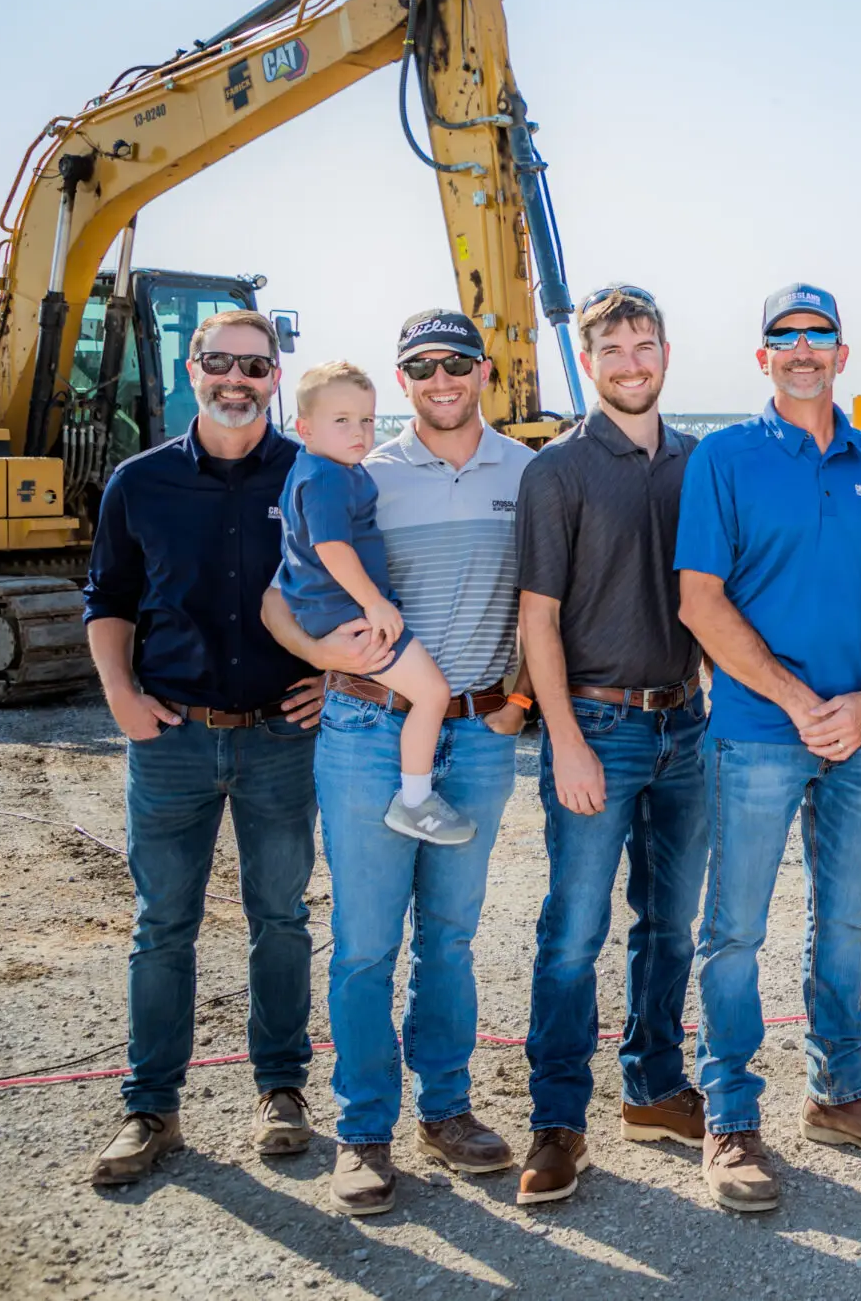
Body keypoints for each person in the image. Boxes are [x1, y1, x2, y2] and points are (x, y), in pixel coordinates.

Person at [83, 309, 366, 1186]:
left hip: (282, 736)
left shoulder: (314, 474)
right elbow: (110, 597)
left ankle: (281, 1090)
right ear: (194, 370)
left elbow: (361, 581)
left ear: (277, 378)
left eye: (255, 365)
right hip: (169, 738)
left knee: (280, 919)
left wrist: (337, 674)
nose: (236, 379)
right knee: (162, 923)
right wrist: (120, 695)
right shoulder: (140, 482)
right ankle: (150, 1107)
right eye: (220, 363)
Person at [260, 309, 534, 1215]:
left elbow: (548, 600)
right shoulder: (359, 474)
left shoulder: (527, 473)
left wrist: (521, 702)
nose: (442, 377)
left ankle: (446, 1112)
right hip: (370, 732)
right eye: (423, 365)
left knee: (449, 941)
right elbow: (277, 599)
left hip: (479, 735)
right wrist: (327, 660)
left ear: (484, 371)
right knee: (368, 943)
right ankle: (365, 1131)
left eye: (457, 362)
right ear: (403, 379)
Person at [676, 284, 861, 1213]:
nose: (801, 349)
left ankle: (839, 1091)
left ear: (841, 351)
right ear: (762, 358)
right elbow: (700, 600)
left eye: (817, 335)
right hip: (754, 732)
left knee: (849, 918)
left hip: (860, 732)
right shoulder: (725, 458)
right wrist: (796, 700)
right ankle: (732, 1115)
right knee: (736, 930)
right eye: (783, 337)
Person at [509, 286, 710, 1208]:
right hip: (595, 726)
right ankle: (557, 1119)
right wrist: (565, 743)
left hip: (687, 726)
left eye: (645, 345)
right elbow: (537, 621)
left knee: (671, 925)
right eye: (613, 350)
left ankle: (655, 1085)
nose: (632, 363)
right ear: (587, 361)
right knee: (574, 932)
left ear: (666, 351)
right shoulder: (556, 472)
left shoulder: (698, 462)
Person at [273, 360, 467, 846]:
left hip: (332, 609)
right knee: (433, 693)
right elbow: (331, 547)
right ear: (305, 428)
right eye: (342, 420)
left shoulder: (326, 468)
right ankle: (416, 801)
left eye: (367, 419)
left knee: (426, 691)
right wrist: (375, 604)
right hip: (347, 614)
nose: (359, 431)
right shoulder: (327, 477)